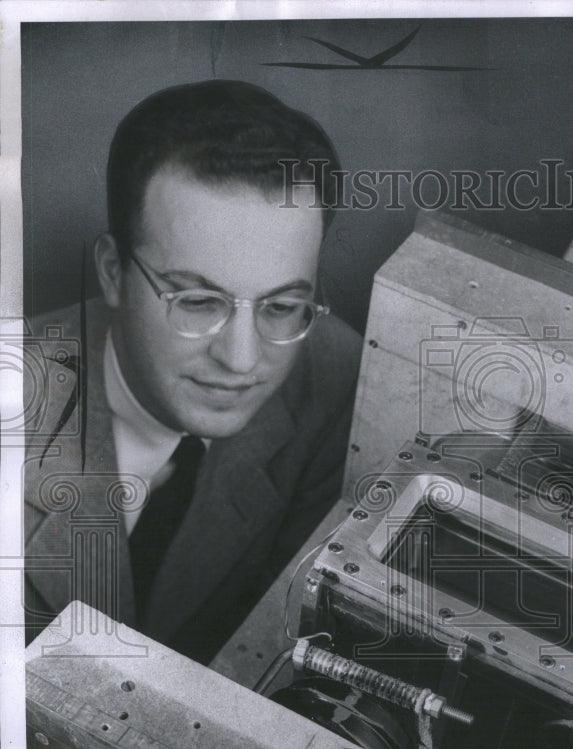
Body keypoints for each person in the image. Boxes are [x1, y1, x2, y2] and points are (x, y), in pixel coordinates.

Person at [24, 80, 362, 665]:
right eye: (198, 302)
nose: (242, 359)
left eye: (281, 307)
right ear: (112, 272)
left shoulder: (337, 378)